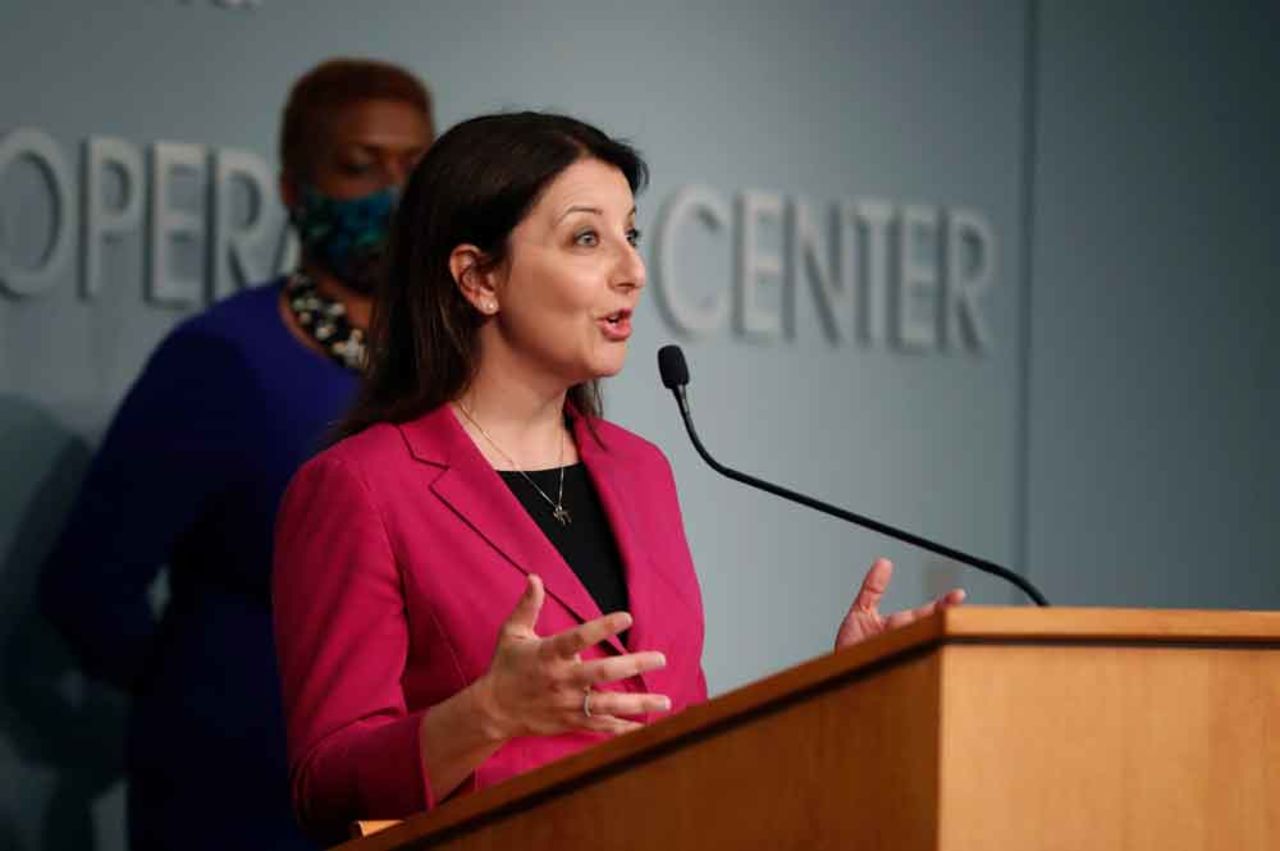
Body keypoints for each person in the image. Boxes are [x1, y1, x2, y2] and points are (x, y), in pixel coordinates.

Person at [272, 111, 965, 843]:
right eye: (586, 238)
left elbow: (679, 738)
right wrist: (491, 712)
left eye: (629, 234)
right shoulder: (361, 486)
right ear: (479, 278)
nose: (632, 269)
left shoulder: (640, 470)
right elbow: (325, 783)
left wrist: (838, 691)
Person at [39, 58, 434, 850]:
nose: (393, 195)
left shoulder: (446, 362)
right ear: (294, 188)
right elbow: (88, 586)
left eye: (415, 167)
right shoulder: (222, 359)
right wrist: (204, 693)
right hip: (241, 797)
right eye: (359, 167)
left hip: (413, 790)